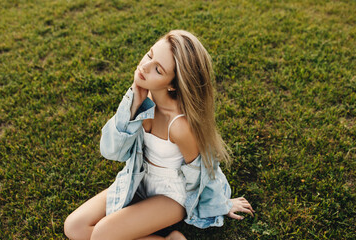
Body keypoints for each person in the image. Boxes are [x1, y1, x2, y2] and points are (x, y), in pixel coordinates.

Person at [64, 30, 255, 240]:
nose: (144, 67)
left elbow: (202, 172)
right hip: (139, 180)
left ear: (173, 84)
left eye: (158, 69)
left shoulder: (180, 126)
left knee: (101, 235)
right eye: (149, 54)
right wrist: (133, 104)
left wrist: (222, 204)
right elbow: (112, 151)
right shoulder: (141, 99)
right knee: (75, 227)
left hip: (172, 196)